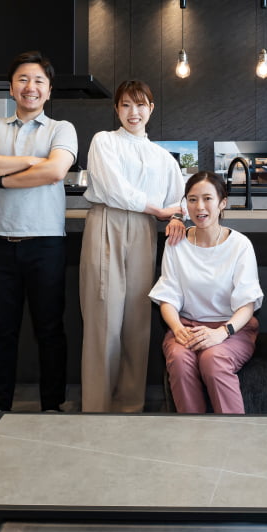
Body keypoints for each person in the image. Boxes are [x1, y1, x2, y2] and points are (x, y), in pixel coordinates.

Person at [0, 51, 77, 438]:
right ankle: (0, 407)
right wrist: (30, 160)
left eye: (39, 81)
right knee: (2, 331)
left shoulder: (61, 128)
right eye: (23, 80)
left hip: (46, 242)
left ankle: (52, 405)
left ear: (49, 89)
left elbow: (56, 170)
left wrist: (0, 177)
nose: (31, 87)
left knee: (50, 330)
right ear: (12, 87)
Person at [80, 80, 186, 413]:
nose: (133, 112)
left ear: (151, 109)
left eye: (140, 105)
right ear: (116, 109)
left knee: (137, 320)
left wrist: (176, 216)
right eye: (126, 105)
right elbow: (114, 190)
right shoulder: (104, 141)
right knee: (103, 317)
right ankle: (97, 407)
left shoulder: (162, 157)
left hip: (144, 230)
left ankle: (129, 407)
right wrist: (159, 210)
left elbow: (179, 199)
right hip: (106, 223)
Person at [149, 171, 263, 413]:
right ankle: (194, 432)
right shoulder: (176, 243)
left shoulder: (240, 245)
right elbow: (168, 296)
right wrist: (178, 329)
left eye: (208, 198)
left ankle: (233, 433)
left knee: (213, 359)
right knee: (179, 359)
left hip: (232, 329)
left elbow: (247, 304)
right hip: (187, 327)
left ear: (222, 203)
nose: (199, 207)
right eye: (192, 199)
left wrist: (222, 332)